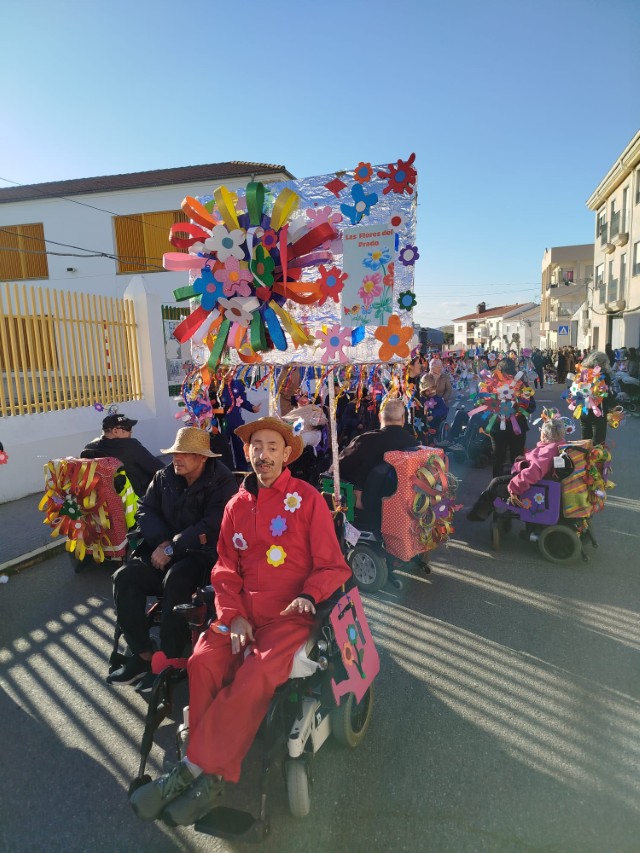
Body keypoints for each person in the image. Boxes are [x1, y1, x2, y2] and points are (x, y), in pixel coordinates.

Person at [129, 417, 351, 826]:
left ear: (286, 455)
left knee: (255, 673)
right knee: (202, 662)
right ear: (247, 453)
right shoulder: (235, 505)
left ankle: (196, 771)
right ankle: (209, 777)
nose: (262, 453)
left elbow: (332, 565)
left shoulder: (307, 499)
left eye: (271, 446)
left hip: (289, 616)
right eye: (255, 446)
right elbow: (225, 568)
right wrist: (232, 615)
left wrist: (308, 595)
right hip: (241, 611)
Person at [108, 427, 238, 686]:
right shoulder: (164, 476)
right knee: (124, 577)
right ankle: (143, 655)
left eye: (185, 454)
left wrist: (173, 548)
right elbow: (145, 510)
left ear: (202, 458)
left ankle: (170, 655)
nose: (176, 458)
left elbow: (211, 524)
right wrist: (162, 543)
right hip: (161, 550)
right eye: (175, 452)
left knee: (176, 579)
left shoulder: (222, 481)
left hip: (201, 556)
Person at [467, 414, 566, 521]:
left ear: (545, 434)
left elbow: (533, 473)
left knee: (496, 482)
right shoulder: (556, 446)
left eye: (541, 430)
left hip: (534, 485)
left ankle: (479, 513)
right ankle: (488, 510)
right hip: (534, 478)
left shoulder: (547, 451)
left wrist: (514, 488)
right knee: (505, 472)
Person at [81, 413, 163, 499]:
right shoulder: (130, 446)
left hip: (103, 501)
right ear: (115, 431)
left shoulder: (89, 448)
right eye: (128, 428)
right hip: (134, 500)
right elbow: (157, 467)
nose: (131, 431)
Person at [488, 359, 536, 477]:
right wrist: (519, 407)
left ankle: (496, 488)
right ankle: (516, 487)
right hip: (518, 427)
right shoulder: (521, 384)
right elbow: (531, 407)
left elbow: (483, 404)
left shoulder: (491, 385)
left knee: (498, 459)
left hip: (497, 427)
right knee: (517, 458)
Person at [578, 350, 614, 445]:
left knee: (585, 443)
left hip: (584, 410)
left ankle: (583, 459)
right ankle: (596, 459)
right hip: (598, 411)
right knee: (598, 444)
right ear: (602, 363)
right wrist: (615, 406)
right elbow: (605, 394)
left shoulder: (584, 372)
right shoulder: (603, 376)